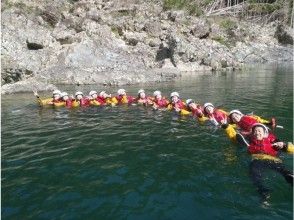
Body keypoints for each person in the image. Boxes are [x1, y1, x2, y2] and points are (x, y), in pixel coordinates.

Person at [247, 123, 293, 202]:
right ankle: (263, 191)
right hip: (257, 161)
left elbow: (291, 149)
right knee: (254, 174)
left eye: (259, 130)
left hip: (273, 159)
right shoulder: (250, 143)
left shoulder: (273, 140)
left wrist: (284, 145)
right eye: (255, 131)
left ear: (265, 133)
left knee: (283, 170)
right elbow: (236, 138)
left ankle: (291, 177)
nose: (257, 132)